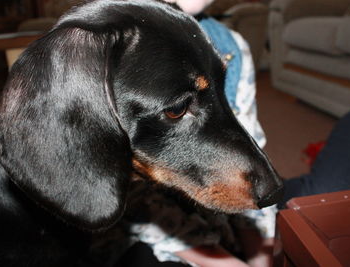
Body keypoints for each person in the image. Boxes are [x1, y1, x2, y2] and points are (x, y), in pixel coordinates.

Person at [109, 1, 276, 266]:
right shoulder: (103, 49)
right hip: (132, 226)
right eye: (177, 108)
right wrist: (221, 262)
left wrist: (260, 259)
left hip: (215, 213)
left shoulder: (232, 44)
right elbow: (116, 200)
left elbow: (251, 147)